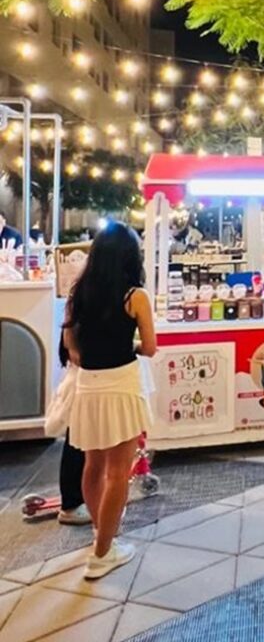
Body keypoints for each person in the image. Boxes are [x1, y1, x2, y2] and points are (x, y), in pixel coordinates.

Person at [64, 221, 156, 580]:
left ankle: (100, 535)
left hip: (89, 386)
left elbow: (71, 346)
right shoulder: (136, 296)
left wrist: (92, 355)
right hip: (122, 384)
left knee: (93, 466)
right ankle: (102, 553)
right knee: (119, 471)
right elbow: (150, 347)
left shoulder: (79, 292)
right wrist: (128, 345)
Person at [56, 332, 90, 526]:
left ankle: (78, 499)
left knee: (84, 441)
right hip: (87, 380)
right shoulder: (80, 312)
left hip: (90, 378)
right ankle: (71, 503)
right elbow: (73, 350)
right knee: (78, 441)